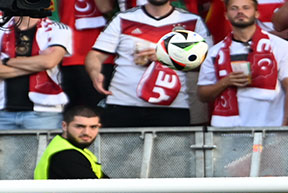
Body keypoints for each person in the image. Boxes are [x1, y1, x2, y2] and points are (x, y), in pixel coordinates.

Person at [86, 0, 210, 128]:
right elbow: (95, 55)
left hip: (172, 106)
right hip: (123, 103)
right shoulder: (123, 18)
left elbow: (206, 64)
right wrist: (94, 72)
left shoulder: (192, 21)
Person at [198, 0, 288, 128]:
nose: (240, 12)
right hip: (225, 131)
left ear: (257, 13)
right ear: (226, 15)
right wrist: (225, 82)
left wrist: (285, 128)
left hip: (269, 129)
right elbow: (203, 94)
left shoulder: (281, 47)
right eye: (234, 8)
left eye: (246, 8)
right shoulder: (215, 52)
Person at [0, 14, 72, 131]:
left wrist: (6, 61)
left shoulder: (58, 29)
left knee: (45, 150)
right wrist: (36, 64)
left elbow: (49, 62)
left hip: (45, 112)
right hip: (2, 112)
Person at [56, 0, 116, 108]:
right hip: (69, 53)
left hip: (98, 56)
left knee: (95, 112)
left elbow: (105, 8)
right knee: (71, 112)